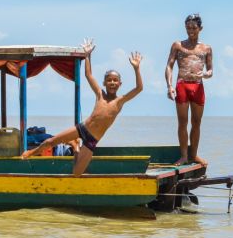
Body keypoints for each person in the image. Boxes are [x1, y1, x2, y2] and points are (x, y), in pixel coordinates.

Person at [22, 39, 143, 175]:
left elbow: (139, 88)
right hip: (82, 128)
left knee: (77, 173)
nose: (112, 82)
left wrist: (136, 68)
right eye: (109, 80)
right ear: (104, 83)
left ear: (120, 84)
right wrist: (87, 55)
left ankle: (76, 147)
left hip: (92, 140)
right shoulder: (100, 95)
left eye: (115, 80)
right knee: (50, 141)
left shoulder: (120, 101)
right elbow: (88, 75)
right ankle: (30, 153)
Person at [165, 13, 213, 166]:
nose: (191, 30)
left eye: (194, 28)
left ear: (200, 28)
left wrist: (206, 74)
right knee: (182, 122)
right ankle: (184, 156)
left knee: (196, 122)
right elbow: (169, 66)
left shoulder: (206, 48)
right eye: (188, 28)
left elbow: (210, 70)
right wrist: (169, 86)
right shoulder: (178, 45)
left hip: (198, 86)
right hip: (182, 85)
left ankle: (194, 155)